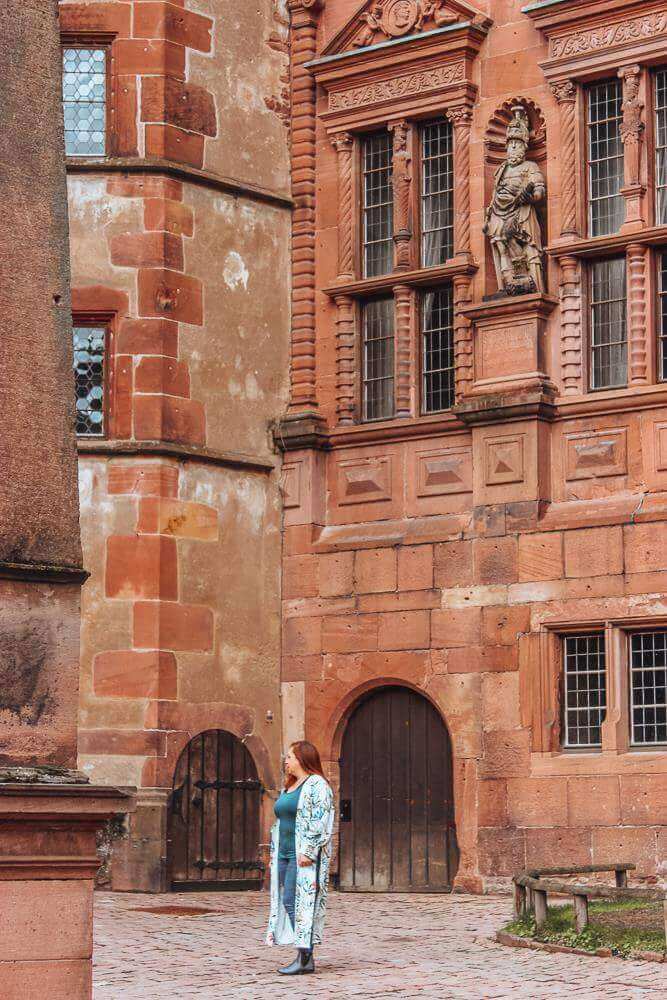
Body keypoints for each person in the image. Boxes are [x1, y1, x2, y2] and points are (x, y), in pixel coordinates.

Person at [266, 740, 335, 976]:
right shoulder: (291, 785)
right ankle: (304, 955)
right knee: (289, 901)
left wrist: (309, 850)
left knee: (296, 901)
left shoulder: (317, 785)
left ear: (302, 759)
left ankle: (305, 955)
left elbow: (321, 820)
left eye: (290, 757)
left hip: (302, 855)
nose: (286, 761)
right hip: (284, 853)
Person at [483, 105, 546, 295]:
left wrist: (529, 196)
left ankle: (531, 282)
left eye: (516, 145)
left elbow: (539, 191)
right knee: (501, 245)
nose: (512, 148)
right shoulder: (501, 169)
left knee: (526, 247)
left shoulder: (530, 166)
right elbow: (495, 191)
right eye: (510, 145)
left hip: (521, 211)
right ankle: (508, 283)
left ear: (523, 147)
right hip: (499, 210)